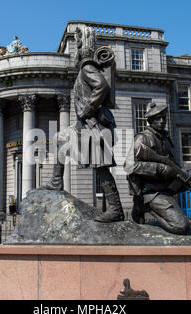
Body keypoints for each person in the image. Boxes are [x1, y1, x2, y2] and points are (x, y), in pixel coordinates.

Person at [43, 25, 124, 223]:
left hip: (93, 125)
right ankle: (56, 182)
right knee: (61, 139)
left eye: (78, 47)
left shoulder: (87, 68)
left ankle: (115, 209)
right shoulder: (85, 69)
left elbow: (102, 86)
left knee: (101, 167)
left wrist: (88, 109)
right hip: (86, 125)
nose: (76, 51)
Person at [124, 103, 191, 235]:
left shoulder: (165, 137)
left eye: (164, 118)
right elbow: (129, 166)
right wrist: (160, 169)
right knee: (181, 226)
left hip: (168, 184)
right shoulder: (142, 138)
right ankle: (142, 206)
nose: (162, 121)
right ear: (150, 120)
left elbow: (171, 162)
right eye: (158, 118)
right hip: (152, 191)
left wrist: (181, 173)